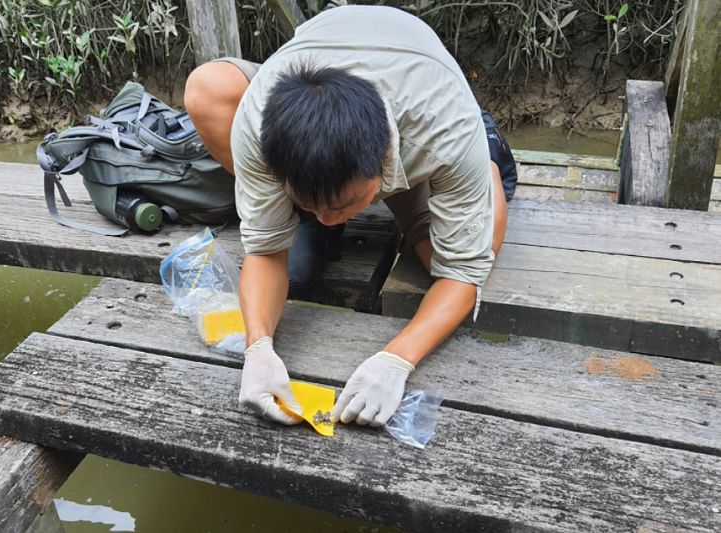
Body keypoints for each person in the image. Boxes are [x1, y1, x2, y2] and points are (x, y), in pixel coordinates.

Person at [184, 5, 517, 427]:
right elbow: (264, 252)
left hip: (426, 110)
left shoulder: (443, 131)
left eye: (340, 206)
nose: (326, 219)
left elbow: (464, 272)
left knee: (461, 252)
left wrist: (397, 358)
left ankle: (484, 152)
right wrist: (258, 349)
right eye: (309, 204)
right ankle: (315, 202)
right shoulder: (257, 128)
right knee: (208, 85)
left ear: (385, 159)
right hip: (324, 87)